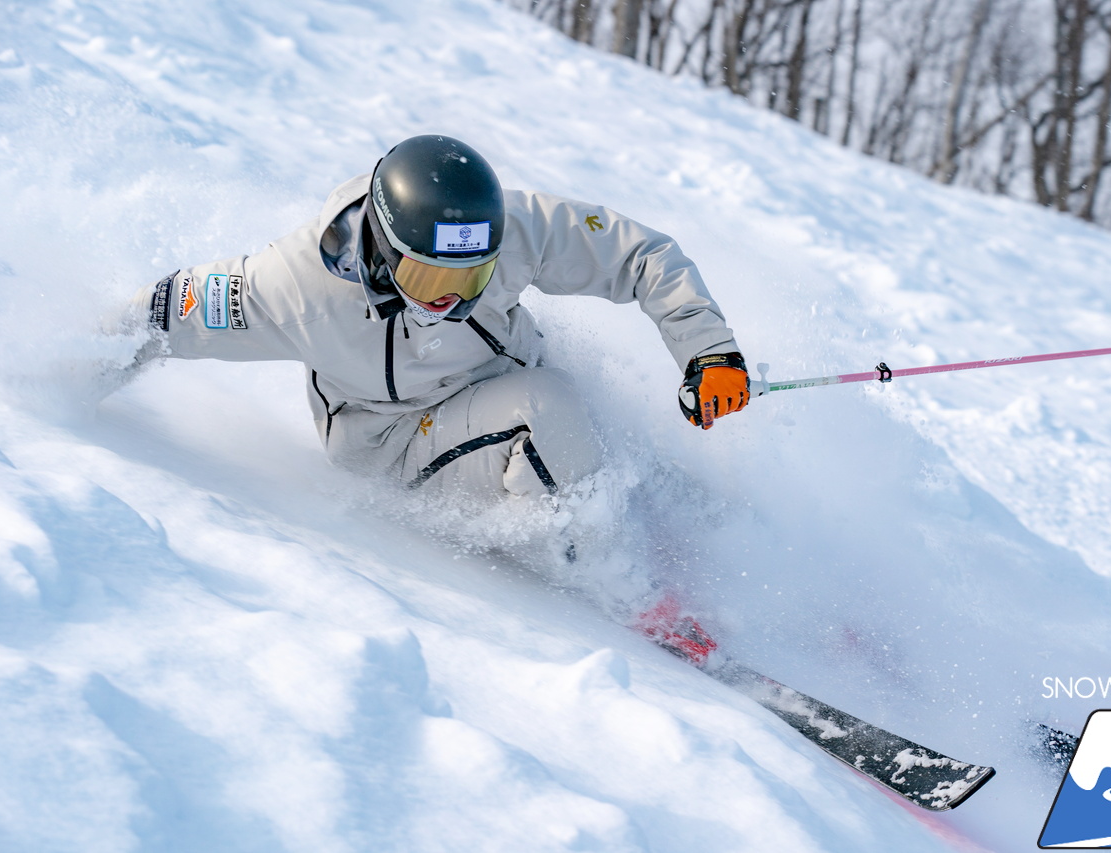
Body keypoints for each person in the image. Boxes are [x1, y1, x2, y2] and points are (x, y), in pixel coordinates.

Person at [129, 134, 747, 665]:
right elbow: (156, 314)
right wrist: (56, 377)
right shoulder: (290, 286)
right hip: (396, 439)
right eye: (429, 278)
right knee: (549, 412)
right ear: (383, 244)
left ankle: (764, 593)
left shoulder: (510, 228)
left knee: (673, 486)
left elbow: (639, 253)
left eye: (470, 278)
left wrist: (709, 352)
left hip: (496, 400)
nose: (448, 301)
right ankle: (627, 590)